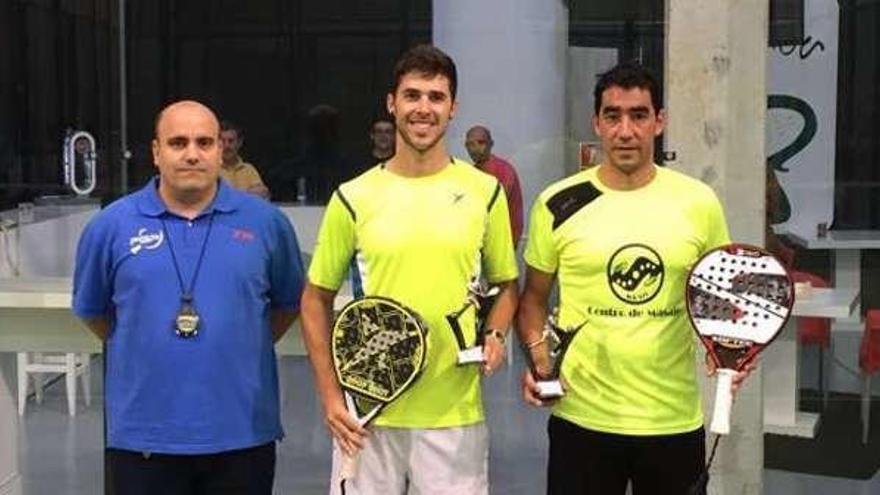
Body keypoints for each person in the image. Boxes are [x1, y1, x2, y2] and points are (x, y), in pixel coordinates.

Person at [517, 62, 753, 494]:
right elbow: (532, 299)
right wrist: (540, 360)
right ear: (597, 123)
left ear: (659, 121)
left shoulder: (697, 202)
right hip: (581, 420)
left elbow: (722, 297)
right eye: (613, 115)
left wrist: (728, 354)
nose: (626, 130)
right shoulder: (559, 202)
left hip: (672, 422)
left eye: (639, 115)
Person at [300, 44, 519, 495]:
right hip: (367, 415)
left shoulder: (485, 193)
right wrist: (330, 398)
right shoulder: (353, 197)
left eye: (436, 98)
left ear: (453, 108)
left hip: (454, 419)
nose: (424, 108)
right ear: (391, 103)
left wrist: (495, 334)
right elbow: (314, 299)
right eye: (413, 95)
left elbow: (506, 287)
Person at [72, 100, 305, 495]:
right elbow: (96, 314)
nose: (192, 154)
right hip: (142, 436)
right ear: (156, 152)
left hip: (242, 434)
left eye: (204, 142)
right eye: (178, 142)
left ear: (220, 150)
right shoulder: (110, 226)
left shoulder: (267, 224)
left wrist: (239, 341)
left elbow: (287, 305)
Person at [464, 125, 524, 249]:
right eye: (470, 144)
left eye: (481, 143)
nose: (475, 148)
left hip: (501, 244)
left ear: (491, 144)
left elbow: (493, 205)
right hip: (484, 243)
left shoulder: (502, 170)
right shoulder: (473, 172)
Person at [219, 120, 270, 199]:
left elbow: (262, 194)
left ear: (239, 143)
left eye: (231, 141)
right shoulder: (209, 169)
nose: (227, 146)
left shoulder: (249, 170)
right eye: (222, 141)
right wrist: (247, 193)